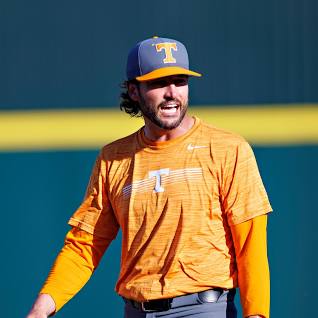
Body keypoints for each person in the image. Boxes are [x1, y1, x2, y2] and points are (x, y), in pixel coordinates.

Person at [27, 36, 272, 318]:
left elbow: (250, 242)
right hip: (136, 310)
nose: (172, 92)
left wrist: (256, 314)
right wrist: (41, 308)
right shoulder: (113, 158)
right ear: (134, 91)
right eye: (158, 82)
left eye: (180, 81)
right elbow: (84, 246)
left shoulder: (228, 148)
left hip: (204, 308)